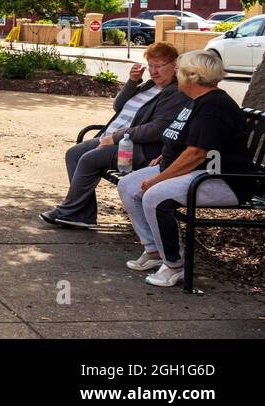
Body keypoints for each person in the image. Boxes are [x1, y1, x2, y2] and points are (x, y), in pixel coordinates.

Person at [117, 49, 257, 287]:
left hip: (222, 178)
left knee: (155, 196)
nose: (177, 75)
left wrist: (156, 181)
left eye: (180, 71)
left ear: (193, 76)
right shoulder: (195, 100)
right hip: (195, 171)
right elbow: (183, 138)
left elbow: (196, 154)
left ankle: (174, 265)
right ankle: (153, 251)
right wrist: (164, 155)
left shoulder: (214, 106)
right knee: (127, 184)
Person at [40, 42, 187, 228]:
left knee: (89, 159)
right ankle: (82, 214)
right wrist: (132, 82)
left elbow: (157, 129)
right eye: (150, 65)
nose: (153, 71)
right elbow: (119, 107)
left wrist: (116, 137)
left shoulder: (175, 92)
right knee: (74, 153)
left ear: (174, 65)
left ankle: (71, 212)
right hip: (115, 139)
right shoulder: (150, 85)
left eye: (158, 66)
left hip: (140, 149)